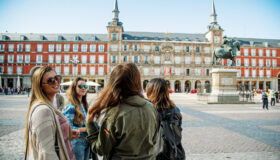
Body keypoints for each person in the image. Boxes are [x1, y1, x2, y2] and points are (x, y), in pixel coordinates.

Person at [86, 63, 162, 159]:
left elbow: (101, 148)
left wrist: (90, 124)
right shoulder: (151, 107)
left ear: (113, 84)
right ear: (137, 81)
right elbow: (155, 140)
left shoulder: (115, 114)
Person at [24, 66, 78, 160]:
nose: (56, 82)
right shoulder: (43, 111)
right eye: (50, 80)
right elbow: (47, 154)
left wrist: (65, 134)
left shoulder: (49, 107)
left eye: (57, 78)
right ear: (40, 85)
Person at [146, 78, 185, 160]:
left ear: (149, 92)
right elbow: (178, 132)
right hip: (175, 153)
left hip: (155, 155)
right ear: (166, 92)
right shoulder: (176, 110)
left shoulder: (147, 111)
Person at [62, 77, 92, 160]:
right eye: (80, 86)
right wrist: (86, 129)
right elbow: (68, 127)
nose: (83, 88)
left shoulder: (84, 105)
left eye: (85, 87)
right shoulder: (70, 106)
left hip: (86, 141)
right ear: (74, 88)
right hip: (77, 142)